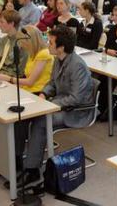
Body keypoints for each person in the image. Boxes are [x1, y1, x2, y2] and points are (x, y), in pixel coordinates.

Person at [17, 26, 94, 188]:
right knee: (26, 116)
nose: (47, 45)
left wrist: (51, 104)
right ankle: (20, 159)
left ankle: (32, 169)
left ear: (61, 47)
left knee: (41, 121)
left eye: (50, 42)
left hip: (78, 111)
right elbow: (51, 83)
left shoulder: (77, 65)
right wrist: (44, 94)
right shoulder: (58, 59)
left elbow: (76, 98)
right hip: (61, 104)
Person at [0, 25, 53, 93]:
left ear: (29, 40)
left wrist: (8, 79)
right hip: (27, 89)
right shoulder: (32, 54)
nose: (21, 45)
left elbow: (30, 82)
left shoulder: (44, 54)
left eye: (22, 42)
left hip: (37, 92)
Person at [0, 10, 29, 77]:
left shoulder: (22, 43)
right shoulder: (2, 41)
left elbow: (20, 72)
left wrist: (4, 76)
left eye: (2, 22)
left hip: (11, 78)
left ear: (11, 24)